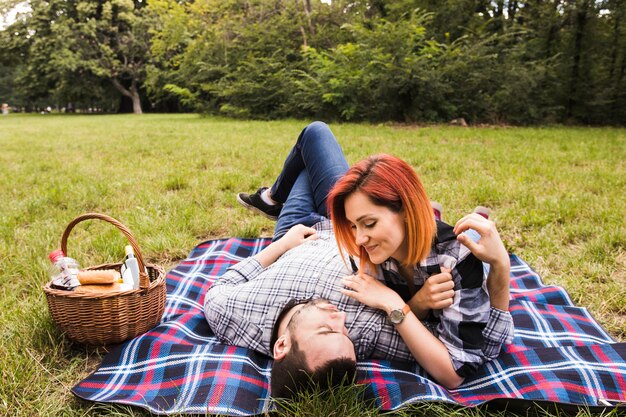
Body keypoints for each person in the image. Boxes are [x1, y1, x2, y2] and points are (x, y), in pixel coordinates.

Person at [204, 121, 513, 398]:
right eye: (355, 225)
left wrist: (283, 244)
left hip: (297, 234)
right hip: (325, 227)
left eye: (369, 223)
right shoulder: (365, 271)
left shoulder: (233, 315)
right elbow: (458, 352)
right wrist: (411, 304)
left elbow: (456, 365)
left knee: (315, 134)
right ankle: (276, 198)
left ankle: (272, 198)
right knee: (311, 157)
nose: (359, 241)